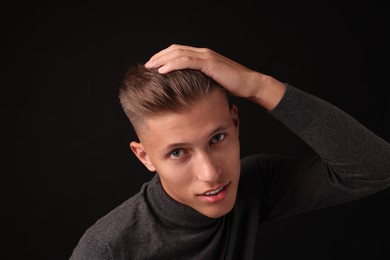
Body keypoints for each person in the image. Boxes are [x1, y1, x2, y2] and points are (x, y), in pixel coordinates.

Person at [69, 44, 390, 259]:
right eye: (178, 153)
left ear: (235, 123)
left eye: (217, 138)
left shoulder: (253, 186)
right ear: (145, 157)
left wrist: (259, 86)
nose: (211, 174)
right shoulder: (107, 249)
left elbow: (376, 168)